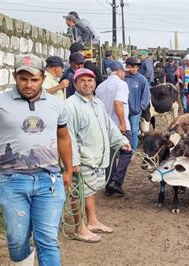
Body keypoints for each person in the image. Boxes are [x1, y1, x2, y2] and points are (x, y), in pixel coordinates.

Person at [0, 54, 72, 265]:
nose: (28, 84)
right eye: (23, 78)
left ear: (43, 78)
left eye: (34, 79)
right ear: (15, 76)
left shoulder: (57, 104)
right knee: (17, 242)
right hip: (12, 181)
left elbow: (63, 138)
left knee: (48, 240)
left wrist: (68, 169)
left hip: (49, 181)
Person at [67, 68, 131, 243]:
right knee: (78, 192)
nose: (87, 84)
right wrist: (73, 160)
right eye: (82, 81)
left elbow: (109, 125)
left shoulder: (97, 103)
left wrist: (120, 141)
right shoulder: (70, 105)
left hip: (97, 157)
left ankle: (93, 221)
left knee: (90, 191)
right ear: (75, 84)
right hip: (83, 158)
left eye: (90, 80)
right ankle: (79, 228)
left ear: (95, 83)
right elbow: (68, 135)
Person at [95, 62, 133, 196]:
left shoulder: (100, 86)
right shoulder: (121, 84)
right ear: (117, 72)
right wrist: (122, 123)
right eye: (123, 72)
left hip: (105, 124)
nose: (125, 74)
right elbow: (118, 103)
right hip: (118, 123)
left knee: (109, 154)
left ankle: (109, 183)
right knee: (127, 151)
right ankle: (116, 182)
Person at [124, 57, 151, 150]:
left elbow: (146, 95)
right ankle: (125, 147)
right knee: (125, 130)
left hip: (135, 110)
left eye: (136, 67)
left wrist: (140, 107)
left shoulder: (142, 79)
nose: (134, 69)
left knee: (134, 130)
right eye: (131, 67)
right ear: (127, 66)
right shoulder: (123, 78)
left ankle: (133, 149)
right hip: (123, 110)